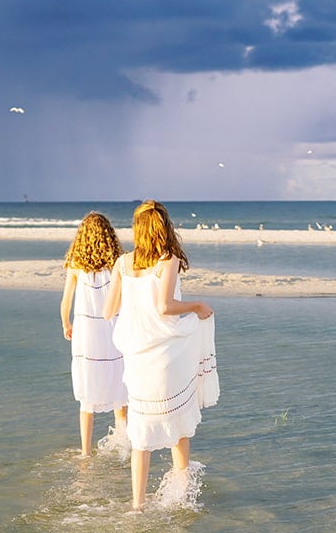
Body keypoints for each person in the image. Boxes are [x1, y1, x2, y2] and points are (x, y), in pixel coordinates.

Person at [104, 200, 219, 510]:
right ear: (164, 227)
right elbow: (165, 307)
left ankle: (137, 505)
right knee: (178, 422)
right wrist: (196, 306)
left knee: (140, 431)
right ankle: (181, 496)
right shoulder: (167, 261)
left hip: (138, 358)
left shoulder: (123, 263)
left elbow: (108, 311)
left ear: (138, 229)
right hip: (166, 354)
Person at [59, 211, 128, 456]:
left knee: (87, 396)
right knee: (120, 389)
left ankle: (86, 452)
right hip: (113, 329)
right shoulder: (118, 262)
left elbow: (65, 302)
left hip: (86, 333)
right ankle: (124, 444)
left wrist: (66, 324)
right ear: (109, 235)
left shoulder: (76, 265)